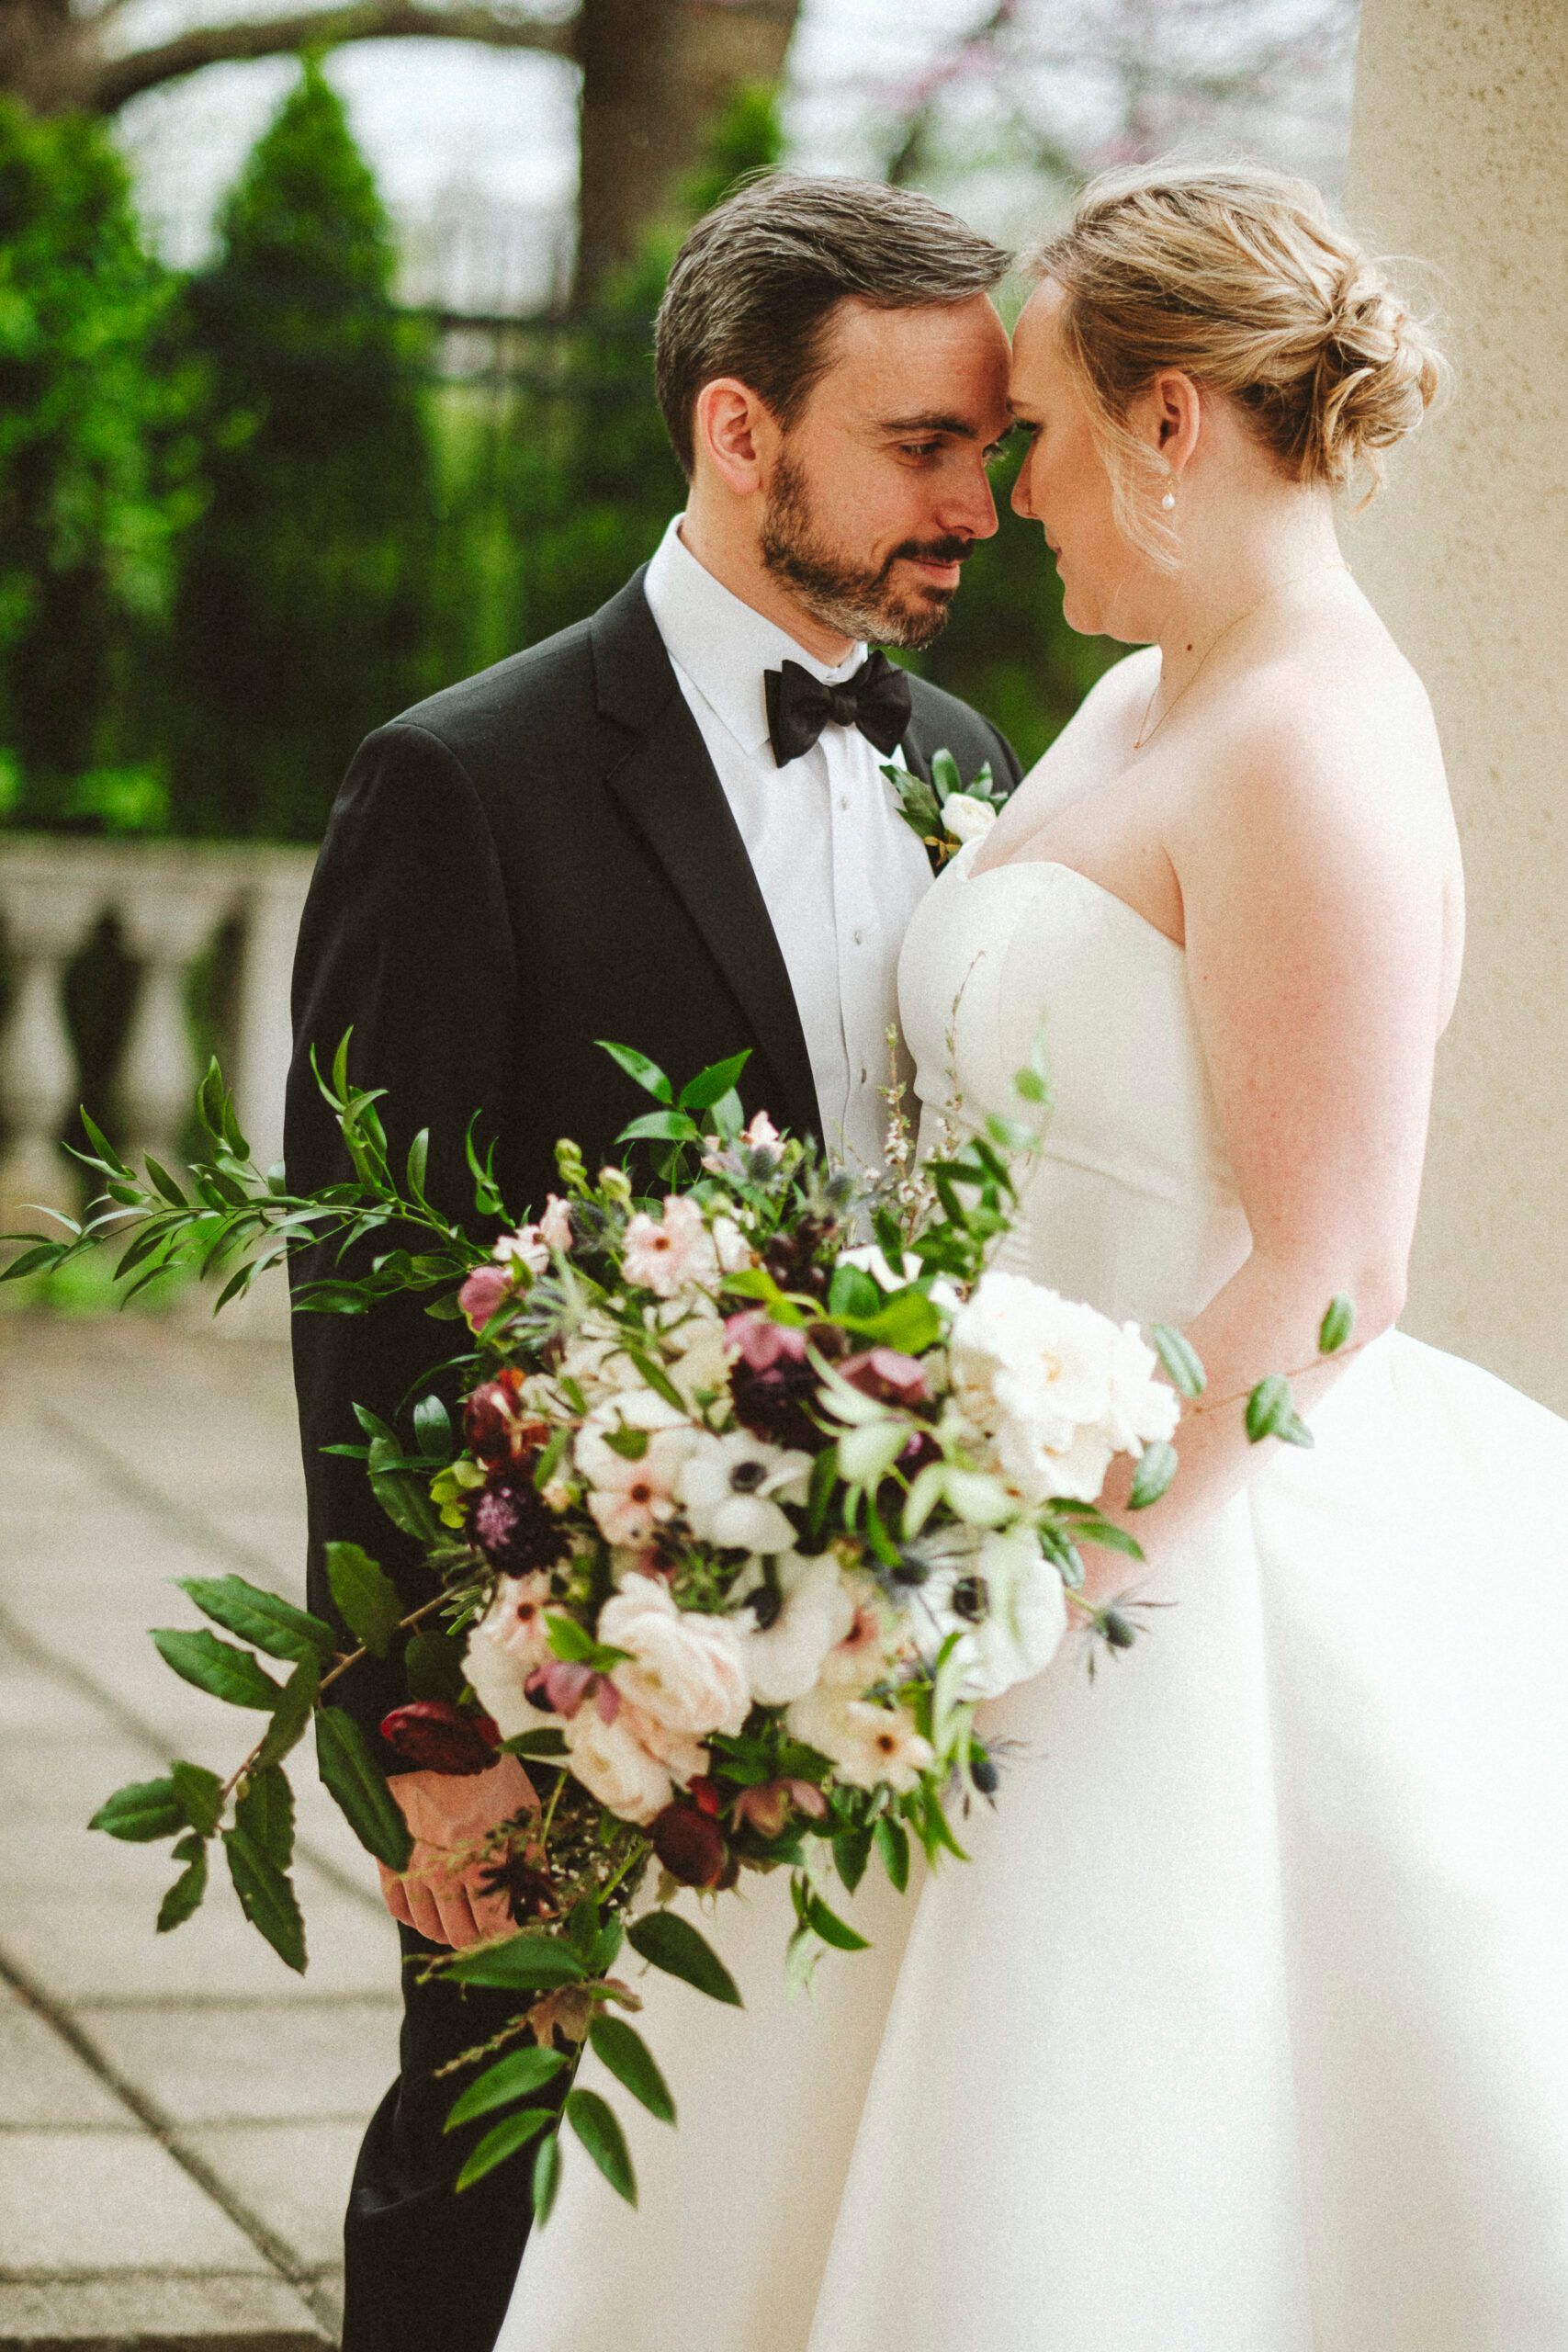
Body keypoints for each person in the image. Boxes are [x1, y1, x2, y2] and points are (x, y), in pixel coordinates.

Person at [504, 164, 1568, 2351]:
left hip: (1142, 1568)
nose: (1006, 493)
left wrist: (1008, 1588)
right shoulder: (1135, 698)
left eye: (1044, 431)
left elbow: (1333, 1261)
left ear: (1173, 423)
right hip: (954, 1505)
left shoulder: (1306, 746)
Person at [283, 172, 1019, 2352]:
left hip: (875, 1623)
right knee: (498, 2140)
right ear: (734, 432)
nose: (975, 501)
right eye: (920, 444)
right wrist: (429, 1731)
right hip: (566, 1646)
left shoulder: (969, 763)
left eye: (987, 445)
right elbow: (364, 1288)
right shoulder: (462, 780)